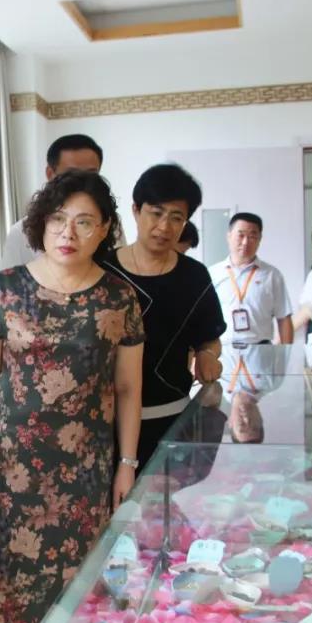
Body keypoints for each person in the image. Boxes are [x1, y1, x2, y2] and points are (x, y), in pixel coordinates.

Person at [0, 170, 144, 623]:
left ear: (105, 229)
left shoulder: (119, 298)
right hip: (10, 470)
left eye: (84, 221)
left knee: (82, 591)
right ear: (41, 223)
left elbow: (127, 389)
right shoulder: (7, 288)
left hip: (85, 472)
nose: (67, 232)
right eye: (58, 219)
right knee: (13, 594)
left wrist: (126, 464)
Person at [98, 164, 226, 470]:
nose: (165, 227)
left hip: (171, 418)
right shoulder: (102, 270)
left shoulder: (194, 276)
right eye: (156, 213)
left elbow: (209, 338)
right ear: (136, 211)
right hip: (106, 422)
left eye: (177, 218)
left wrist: (208, 354)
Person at [0, 134, 103, 268]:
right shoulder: (20, 233)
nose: (82, 183)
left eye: (91, 175)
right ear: (50, 174)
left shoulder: (107, 225)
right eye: (71, 174)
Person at [208, 212, 294, 345]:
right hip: (223, 347)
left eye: (252, 236)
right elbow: (203, 316)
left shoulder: (272, 275)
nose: (245, 242)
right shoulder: (213, 273)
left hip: (261, 347)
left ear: (260, 239)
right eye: (240, 235)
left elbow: (284, 318)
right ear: (229, 236)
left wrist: (286, 353)